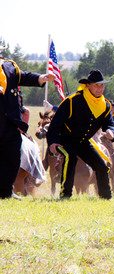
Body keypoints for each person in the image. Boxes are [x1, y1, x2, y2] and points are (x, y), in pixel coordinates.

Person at [46, 69, 114, 200]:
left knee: (101, 166)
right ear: (88, 85)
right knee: (70, 156)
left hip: (82, 141)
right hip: (64, 138)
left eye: (102, 85)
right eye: (96, 85)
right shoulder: (73, 100)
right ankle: (65, 195)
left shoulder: (105, 105)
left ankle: (106, 198)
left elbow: (109, 124)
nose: (100, 88)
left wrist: (111, 132)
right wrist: (52, 142)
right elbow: (55, 124)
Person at [0, 44, 56, 199]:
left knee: (12, 158)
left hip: (10, 122)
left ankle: (5, 192)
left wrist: (41, 78)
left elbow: (22, 76)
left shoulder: (9, 66)